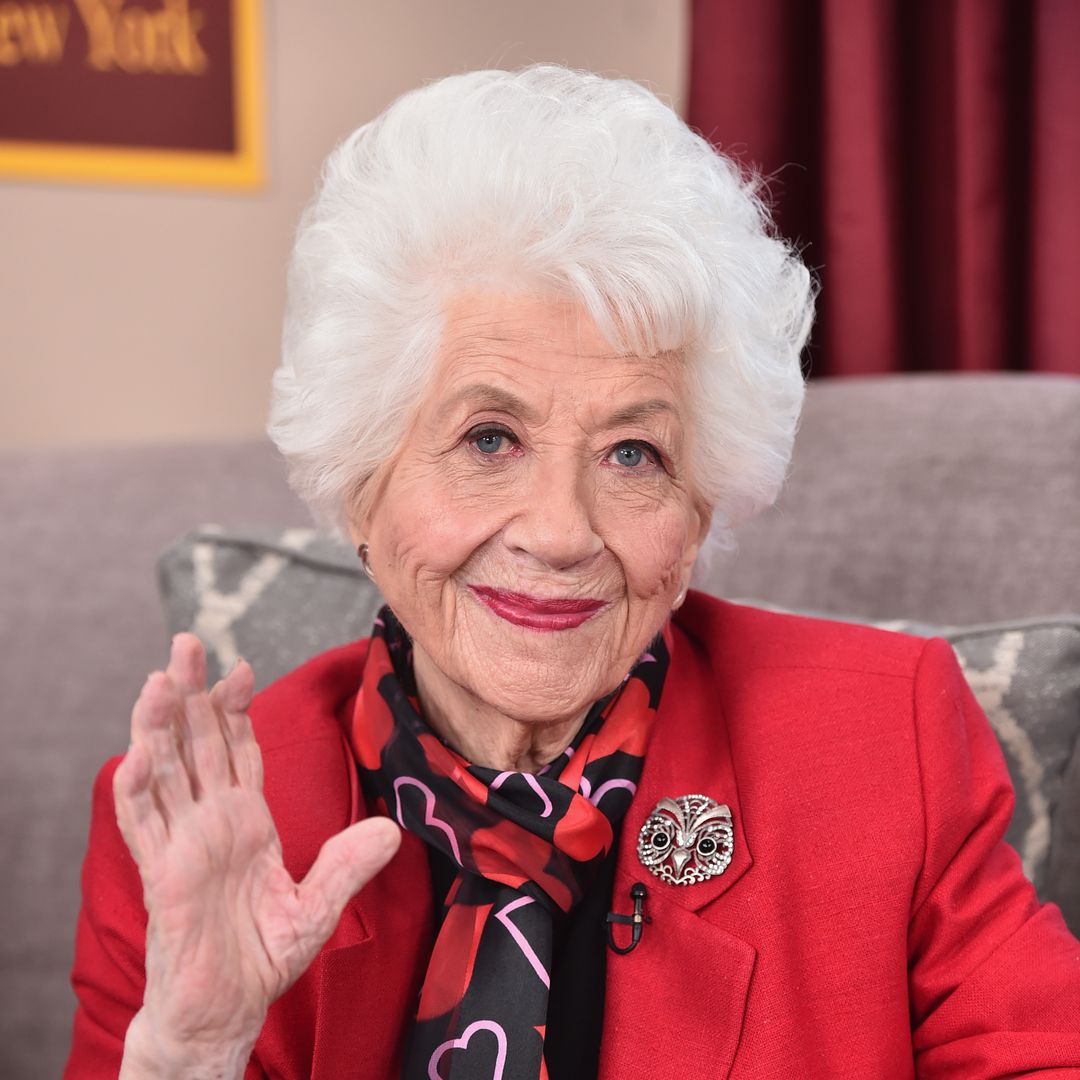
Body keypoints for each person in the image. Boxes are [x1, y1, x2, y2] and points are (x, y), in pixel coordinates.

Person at [65, 66, 1080, 1080]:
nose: (559, 533)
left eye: (633, 455)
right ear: (362, 481)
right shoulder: (192, 833)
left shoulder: (879, 747)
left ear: (700, 507)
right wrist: (190, 1057)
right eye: (490, 437)